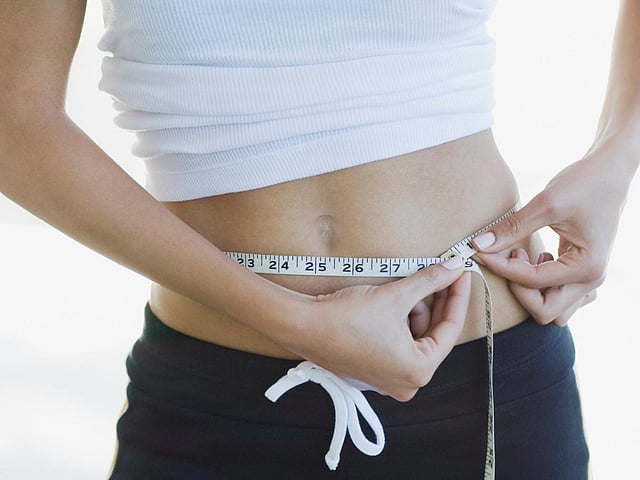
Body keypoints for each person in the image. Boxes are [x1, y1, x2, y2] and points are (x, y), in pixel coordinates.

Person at [0, 0, 637, 478]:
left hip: (484, 387)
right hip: (214, 400)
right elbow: (14, 118)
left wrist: (616, 157)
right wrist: (293, 320)